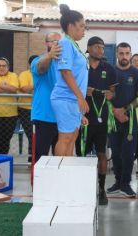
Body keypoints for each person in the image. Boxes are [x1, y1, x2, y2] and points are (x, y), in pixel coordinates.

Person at [74, 36, 117, 205]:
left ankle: (101, 189)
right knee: (81, 153)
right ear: (89, 48)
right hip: (83, 117)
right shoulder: (81, 66)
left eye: (103, 47)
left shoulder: (109, 68)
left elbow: (113, 92)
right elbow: (73, 88)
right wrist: (84, 92)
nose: (101, 50)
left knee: (102, 154)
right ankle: (81, 187)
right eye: (98, 47)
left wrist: (111, 95)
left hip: (102, 118)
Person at [106, 42, 138, 198]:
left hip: (130, 120)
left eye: (127, 53)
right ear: (117, 54)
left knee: (128, 154)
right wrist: (115, 111)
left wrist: (125, 110)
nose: (124, 56)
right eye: (121, 53)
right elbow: (105, 93)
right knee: (115, 153)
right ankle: (117, 182)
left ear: (131, 54)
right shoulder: (110, 72)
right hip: (113, 119)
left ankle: (126, 184)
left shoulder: (136, 74)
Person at [51, 4, 89, 156]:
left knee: (73, 136)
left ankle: (66, 170)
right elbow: (66, 72)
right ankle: (60, 173)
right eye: (81, 26)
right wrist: (81, 98)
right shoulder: (65, 43)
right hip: (66, 98)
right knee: (65, 137)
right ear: (70, 26)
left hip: (73, 99)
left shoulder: (74, 45)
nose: (84, 30)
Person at [31, 32, 61, 163]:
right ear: (46, 43)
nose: (56, 44)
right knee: (40, 156)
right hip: (44, 117)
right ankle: (38, 183)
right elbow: (41, 68)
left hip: (62, 117)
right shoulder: (38, 60)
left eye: (58, 42)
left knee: (60, 157)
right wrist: (50, 55)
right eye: (52, 41)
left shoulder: (64, 63)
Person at [18, 55, 37, 162]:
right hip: (25, 109)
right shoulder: (24, 74)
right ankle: (31, 159)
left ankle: (35, 158)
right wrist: (38, 86)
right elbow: (25, 88)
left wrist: (33, 87)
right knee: (31, 134)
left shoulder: (42, 73)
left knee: (37, 135)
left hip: (38, 109)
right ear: (30, 65)